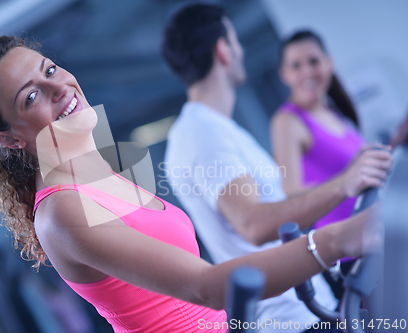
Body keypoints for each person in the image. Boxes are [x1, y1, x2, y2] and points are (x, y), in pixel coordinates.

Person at [0, 35, 380, 333]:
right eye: (31, 96)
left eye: (50, 69)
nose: (58, 87)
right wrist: (339, 238)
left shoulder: (108, 170)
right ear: (9, 139)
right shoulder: (62, 211)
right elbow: (207, 287)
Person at [162, 3, 391, 332]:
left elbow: (278, 209)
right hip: (290, 321)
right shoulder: (202, 133)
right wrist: (345, 183)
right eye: (235, 42)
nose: (239, 50)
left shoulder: (217, 129)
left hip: (311, 306)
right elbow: (253, 223)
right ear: (223, 50)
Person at [271, 30, 408, 298]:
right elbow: (291, 191)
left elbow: (355, 169)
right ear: (284, 74)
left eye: (313, 61)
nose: (307, 72)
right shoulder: (287, 121)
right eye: (295, 65)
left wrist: (396, 140)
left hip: (376, 237)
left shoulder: (333, 109)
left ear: (328, 63)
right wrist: (347, 178)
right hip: (351, 254)